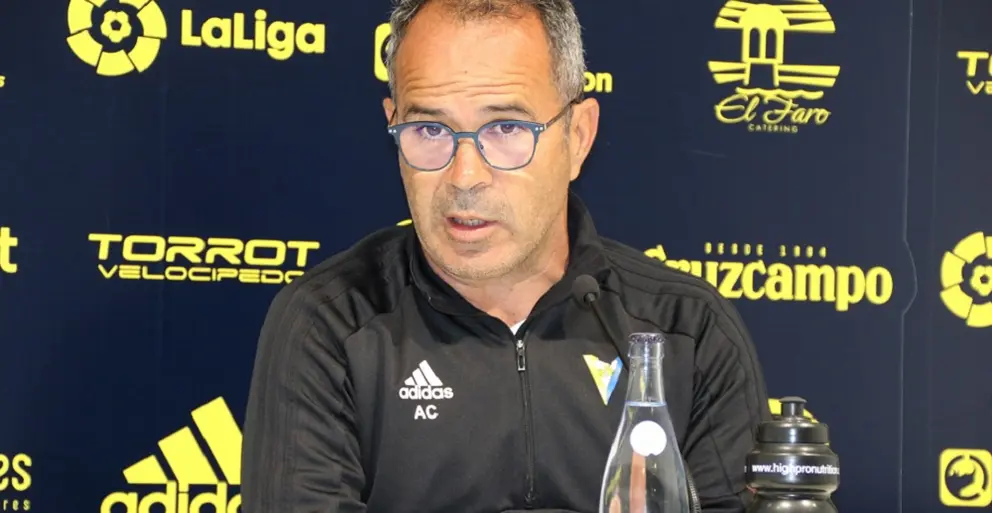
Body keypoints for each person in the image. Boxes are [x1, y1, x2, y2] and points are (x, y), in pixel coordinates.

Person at [240, 0, 772, 512]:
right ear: (392, 126)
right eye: (429, 130)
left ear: (578, 136)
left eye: (506, 129)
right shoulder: (330, 324)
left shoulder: (688, 330)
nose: (465, 176)